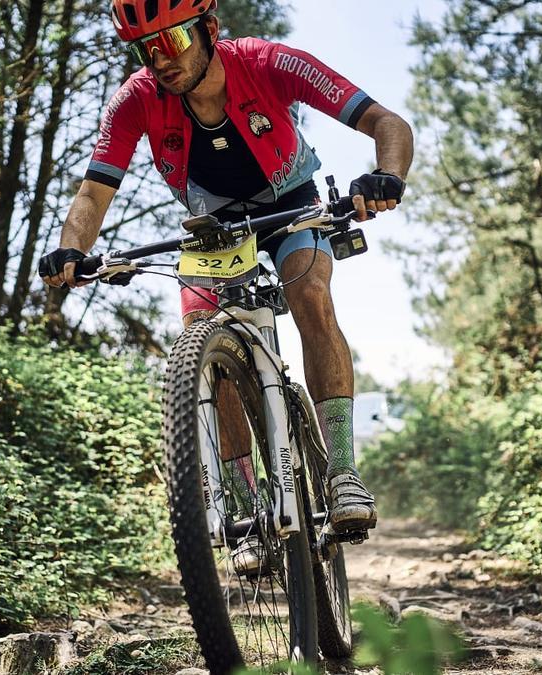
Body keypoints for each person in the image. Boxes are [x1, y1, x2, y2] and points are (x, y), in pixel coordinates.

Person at [39, 0, 413, 561]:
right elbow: (94, 192)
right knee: (200, 333)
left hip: (292, 208)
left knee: (309, 293)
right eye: (147, 48)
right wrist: (72, 249)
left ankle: (342, 471)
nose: (160, 60)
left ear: (208, 30)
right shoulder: (136, 99)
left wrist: (386, 174)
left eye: (173, 42)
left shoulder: (267, 61)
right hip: (213, 231)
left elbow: (388, 123)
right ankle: (244, 504)